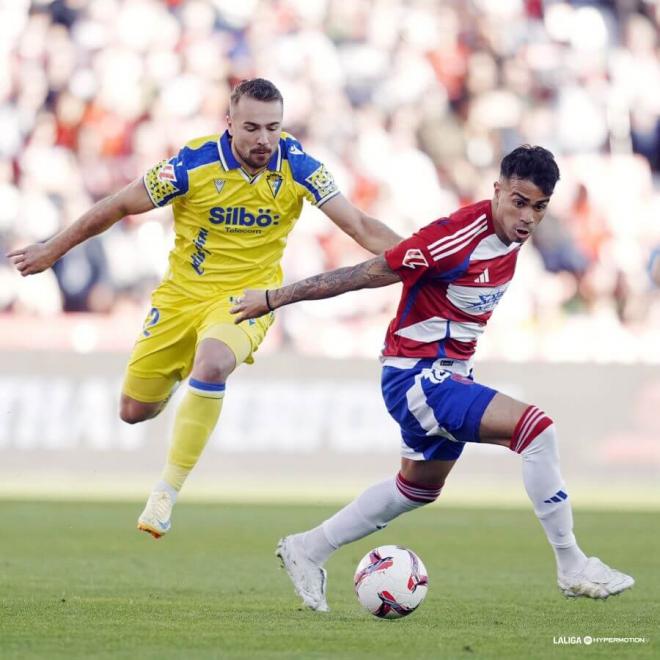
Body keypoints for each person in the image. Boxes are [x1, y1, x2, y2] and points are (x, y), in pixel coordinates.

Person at [230, 145, 634, 609]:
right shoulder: (459, 236)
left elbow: (406, 254)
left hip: (447, 372)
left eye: (538, 207)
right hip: (419, 376)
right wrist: (274, 298)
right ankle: (572, 566)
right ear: (497, 190)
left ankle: (308, 548)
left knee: (417, 489)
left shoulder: (509, 240)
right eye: (518, 201)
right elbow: (370, 273)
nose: (527, 217)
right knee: (536, 430)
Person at [7, 78, 401, 539]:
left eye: (273, 128)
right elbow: (118, 206)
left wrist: (423, 255)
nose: (263, 140)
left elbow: (358, 224)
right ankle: (185, 379)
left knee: (213, 363)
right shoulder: (191, 164)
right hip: (180, 297)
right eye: (251, 127)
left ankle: (166, 492)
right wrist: (53, 250)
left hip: (247, 298)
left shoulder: (299, 167)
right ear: (229, 123)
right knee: (133, 411)